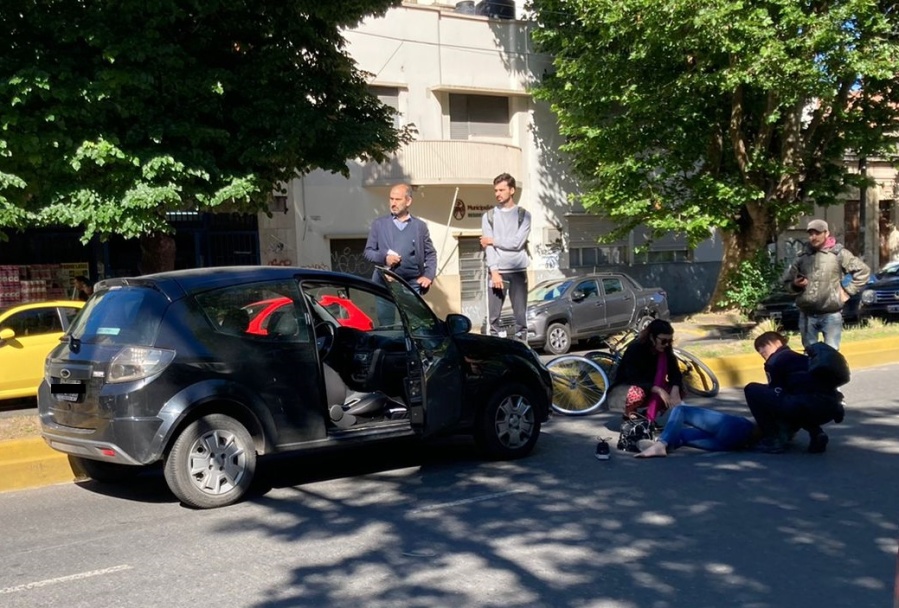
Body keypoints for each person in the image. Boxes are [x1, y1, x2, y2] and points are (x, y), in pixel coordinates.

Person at [743, 331, 844, 454]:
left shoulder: (774, 361)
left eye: (763, 347)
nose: (762, 353)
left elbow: (776, 394)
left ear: (777, 343)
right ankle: (817, 433)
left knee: (752, 390)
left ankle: (773, 439)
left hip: (804, 405)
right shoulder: (804, 358)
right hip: (830, 407)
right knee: (798, 399)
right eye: (759, 351)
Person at [783, 219, 870, 349]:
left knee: (831, 354)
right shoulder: (802, 256)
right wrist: (796, 285)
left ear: (826, 233)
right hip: (807, 314)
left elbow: (863, 271)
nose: (813, 237)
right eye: (811, 234)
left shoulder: (839, 254)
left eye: (817, 233)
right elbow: (786, 283)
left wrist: (847, 292)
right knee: (811, 354)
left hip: (831, 314)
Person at [363, 184, 437, 325]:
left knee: (415, 324)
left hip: (412, 284)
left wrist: (429, 275)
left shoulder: (419, 226)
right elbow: (368, 252)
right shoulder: (379, 224)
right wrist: (385, 258)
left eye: (398, 199)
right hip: (385, 283)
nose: (393, 203)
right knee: (387, 325)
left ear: (408, 201)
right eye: (391, 199)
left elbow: (431, 254)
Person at [481, 173, 531, 339]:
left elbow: (517, 243)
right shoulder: (488, 216)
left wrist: (493, 240)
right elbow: (488, 248)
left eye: (502, 190)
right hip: (497, 272)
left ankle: (522, 349)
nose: (498, 193)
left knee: (520, 318)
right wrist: (494, 271)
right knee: (494, 319)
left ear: (512, 190)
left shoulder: (524, 215)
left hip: (518, 270)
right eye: (496, 190)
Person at [607, 318, 684, 425]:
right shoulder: (636, 349)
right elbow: (632, 377)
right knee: (637, 393)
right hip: (626, 388)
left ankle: (646, 415)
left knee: (679, 390)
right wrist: (658, 389)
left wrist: (675, 390)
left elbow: (675, 372)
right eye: (663, 341)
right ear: (652, 337)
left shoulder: (666, 350)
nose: (667, 344)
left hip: (649, 389)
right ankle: (629, 413)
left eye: (670, 341)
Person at [635, 404, 757, 458]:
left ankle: (661, 444)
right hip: (739, 444)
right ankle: (664, 445)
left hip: (740, 427)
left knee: (681, 410)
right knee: (682, 435)